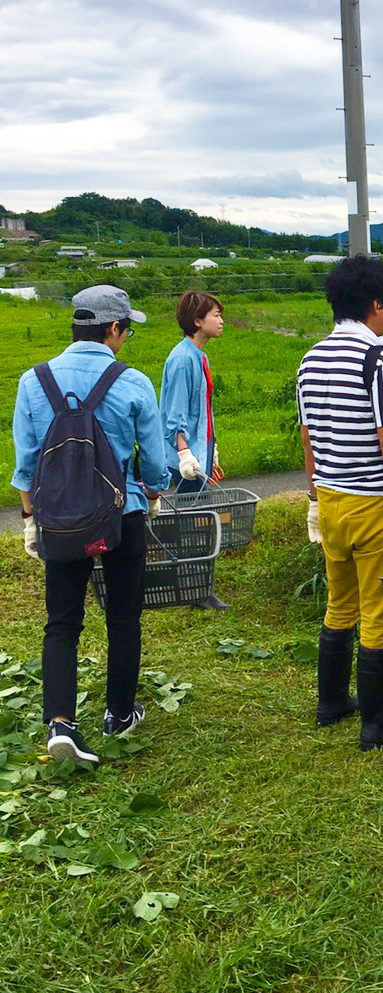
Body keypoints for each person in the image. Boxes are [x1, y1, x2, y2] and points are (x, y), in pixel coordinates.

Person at [11, 285, 169, 765]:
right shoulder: (133, 381)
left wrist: (30, 519)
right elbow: (156, 463)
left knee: (61, 622)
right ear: (113, 329)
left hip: (58, 521)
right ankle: (119, 713)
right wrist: (154, 493)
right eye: (128, 329)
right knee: (123, 617)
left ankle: (61, 722)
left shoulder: (33, 381)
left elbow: (25, 465)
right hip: (120, 516)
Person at [296, 255, 383, 750]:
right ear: (375, 304)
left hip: (332, 501)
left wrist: (314, 493)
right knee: (377, 611)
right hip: (375, 505)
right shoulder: (377, 359)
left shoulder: (311, 358)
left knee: (339, 603)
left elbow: (308, 437)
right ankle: (376, 725)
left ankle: (330, 703)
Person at [160, 289, 229, 610]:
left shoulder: (199, 355)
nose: (222, 321)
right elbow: (174, 412)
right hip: (186, 456)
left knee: (193, 518)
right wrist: (185, 452)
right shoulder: (181, 359)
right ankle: (193, 589)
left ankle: (194, 587)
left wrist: (209, 450)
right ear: (197, 320)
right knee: (190, 521)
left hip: (198, 452)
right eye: (216, 315)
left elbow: (200, 410)